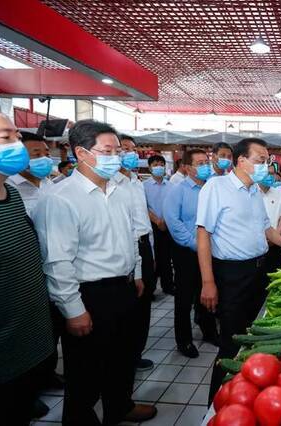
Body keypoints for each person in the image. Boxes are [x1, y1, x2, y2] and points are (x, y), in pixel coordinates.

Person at [33, 120, 156, 424]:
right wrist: (73, 310)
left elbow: (131, 236)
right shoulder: (61, 198)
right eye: (108, 150)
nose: (116, 156)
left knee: (123, 358)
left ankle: (120, 407)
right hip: (90, 295)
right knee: (86, 372)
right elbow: (57, 261)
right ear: (82, 153)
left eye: (118, 150)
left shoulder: (120, 189)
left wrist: (137, 272)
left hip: (124, 287)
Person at [195, 138, 281, 402]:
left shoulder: (253, 192)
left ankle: (244, 396)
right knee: (232, 342)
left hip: (257, 271)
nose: (265, 165)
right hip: (231, 274)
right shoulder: (217, 187)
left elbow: (266, 228)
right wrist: (208, 281)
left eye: (268, 160)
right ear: (241, 160)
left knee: (253, 337)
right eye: (260, 160)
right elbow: (203, 234)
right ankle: (217, 404)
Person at [0, 113, 55, 426]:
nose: (17, 146)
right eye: (6, 138)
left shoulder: (12, 198)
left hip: (27, 348)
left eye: (16, 137)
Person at [163, 149, 218, 358]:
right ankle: (184, 340)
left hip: (212, 249)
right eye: (199, 163)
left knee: (209, 290)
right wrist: (195, 244)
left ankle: (209, 332)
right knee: (185, 297)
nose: (205, 166)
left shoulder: (212, 187)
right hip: (186, 250)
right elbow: (173, 221)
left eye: (207, 162)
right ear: (187, 167)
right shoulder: (178, 190)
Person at [115, 135, 156, 372]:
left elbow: (142, 221)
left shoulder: (135, 182)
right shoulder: (111, 184)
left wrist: (151, 249)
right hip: (126, 248)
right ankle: (125, 356)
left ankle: (135, 352)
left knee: (143, 306)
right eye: (124, 149)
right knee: (129, 307)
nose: (130, 153)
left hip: (143, 247)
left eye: (133, 149)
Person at [144, 154, 175, 295]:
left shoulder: (171, 186)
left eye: (161, 164)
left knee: (166, 258)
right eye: (155, 164)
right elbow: (143, 207)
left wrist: (166, 222)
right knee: (153, 258)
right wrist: (157, 221)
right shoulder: (144, 186)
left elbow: (174, 207)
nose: (159, 167)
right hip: (151, 226)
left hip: (168, 227)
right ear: (150, 167)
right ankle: (150, 289)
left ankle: (168, 286)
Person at [6, 131, 54, 216]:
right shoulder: (7, 187)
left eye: (47, 154)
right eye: (37, 154)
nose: (44, 159)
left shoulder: (49, 183)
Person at [260, 166, 281, 272]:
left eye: (272, 174)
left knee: (273, 272)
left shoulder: (280, 194)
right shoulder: (252, 193)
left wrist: (275, 236)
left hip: (275, 242)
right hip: (256, 243)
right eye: (267, 173)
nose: (270, 176)